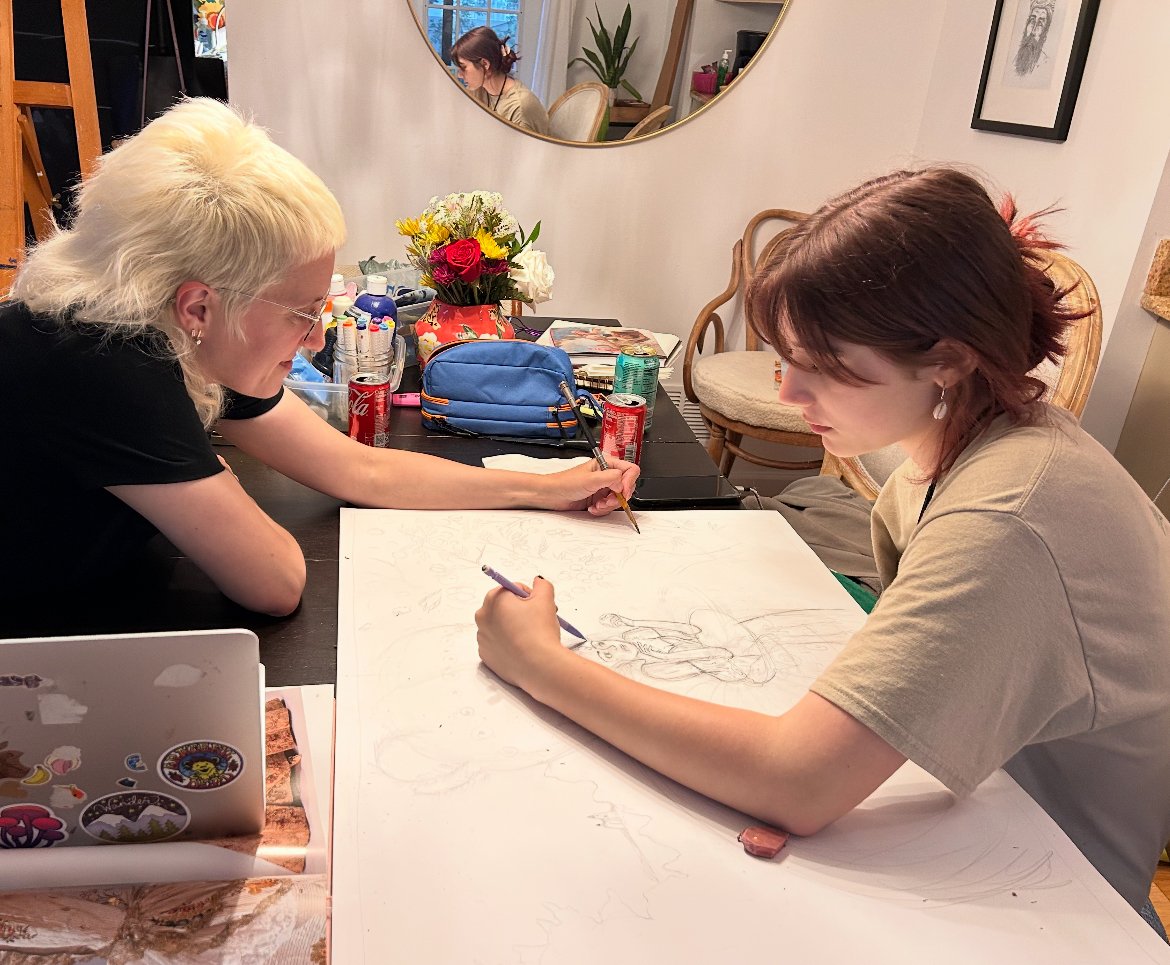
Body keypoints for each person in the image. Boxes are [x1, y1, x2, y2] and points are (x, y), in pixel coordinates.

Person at [476, 167, 1170, 927]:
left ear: (949, 357)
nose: (788, 396)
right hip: (968, 813)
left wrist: (541, 663)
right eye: (788, 360)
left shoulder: (1008, 513)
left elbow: (798, 781)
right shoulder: (952, 448)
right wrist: (798, 773)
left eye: (825, 369)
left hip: (1059, 905)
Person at [1, 97, 636, 615]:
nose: (314, 340)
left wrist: (540, 489)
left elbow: (364, 472)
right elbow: (275, 581)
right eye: (304, 313)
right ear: (198, 306)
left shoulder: (182, 332)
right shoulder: (100, 359)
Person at [452, 27, 551, 136]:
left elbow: (523, 152)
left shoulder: (520, 107)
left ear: (485, 64)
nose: (459, 75)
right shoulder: (478, 90)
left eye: (464, 67)